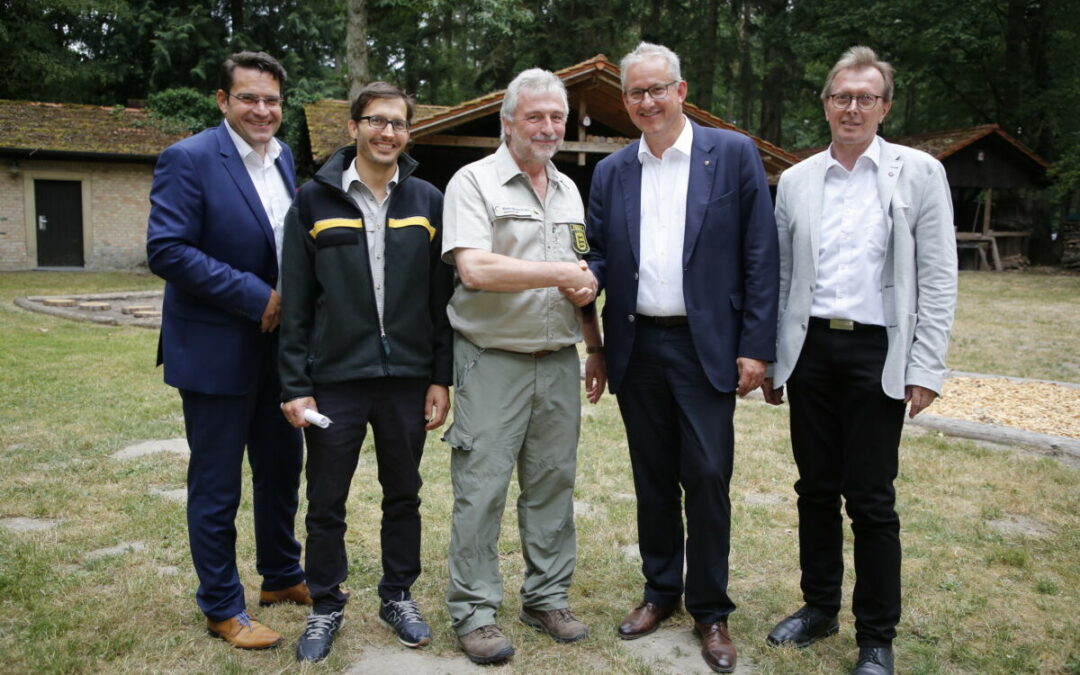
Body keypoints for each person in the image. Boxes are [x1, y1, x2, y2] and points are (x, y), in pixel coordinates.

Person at [760, 46, 957, 675]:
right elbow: (783, 275)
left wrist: (925, 366)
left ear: (885, 106)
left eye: (864, 98)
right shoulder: (796, 180)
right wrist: (772, 358)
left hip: (879, 350)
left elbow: (938, 276)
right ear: (825, 104)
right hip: (811, 348)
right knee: (814, 489)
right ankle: (818, 608)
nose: (852, 107)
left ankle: (876, 635)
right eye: (841, 96)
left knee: (871, 498)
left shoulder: (919, 174)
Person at [584, 42, 779, 674]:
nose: (646, 102)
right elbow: (601, 259)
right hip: (639, 346)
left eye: (656, 90)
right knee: (652, 478)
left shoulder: (733, 155)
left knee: (707, 477)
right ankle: (660, 592)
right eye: (635, 93)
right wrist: (582, 279)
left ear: (681, 90)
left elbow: (760, 255)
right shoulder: (613, 172)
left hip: (706, 346)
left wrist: (756, 345)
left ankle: (712, 611)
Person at [277, 81, 453, 663]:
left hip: (407, 377)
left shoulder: (428, 200)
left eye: (398, 123)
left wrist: (439, 376)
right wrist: (295, 386)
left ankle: (397, 594)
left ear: (408, 133)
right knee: (326, 498)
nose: (387, 133)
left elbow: (440, 300)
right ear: (353, 127)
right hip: (335, 381)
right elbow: (296, 305)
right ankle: (326, 603)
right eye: (376, 121)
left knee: (404, 493)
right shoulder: (312, 200)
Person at [146, 51, 309, 650]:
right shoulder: (187, 159)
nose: (261, 110)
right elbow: (166, 249)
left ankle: (282, 575)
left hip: (278, 350)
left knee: (281, 466)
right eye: (248, 98)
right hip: (216, 349)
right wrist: (255, 295)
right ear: (222, 101)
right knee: (218, 485)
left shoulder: (284, 157)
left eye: (270, 100)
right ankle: (221, 605)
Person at [440, 67, 597, 666]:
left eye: (556, 117)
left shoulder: (568, 189)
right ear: (508, 122)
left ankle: (547, 596)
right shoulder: (473, 183)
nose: (548, 127)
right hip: (491, 359)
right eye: (535, 116)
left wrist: (595, 340)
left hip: (557, 358)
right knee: (480, 490)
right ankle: (475, 612)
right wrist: (560, 274)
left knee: (553, 483)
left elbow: (580, 270)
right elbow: (475, 269)